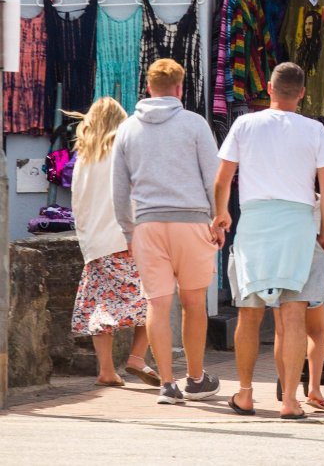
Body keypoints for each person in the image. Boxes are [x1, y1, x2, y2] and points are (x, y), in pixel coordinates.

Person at [212, 62, 324, 420]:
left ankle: (247, 394)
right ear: (301, 93)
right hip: (298, 225)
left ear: (269, 88)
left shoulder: (244, 124)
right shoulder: (316, 131)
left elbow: (223, 180)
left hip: (255, 224)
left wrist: (221, 214)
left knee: (248, 315)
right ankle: (289, 401)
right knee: (294, 314)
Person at [113, 59, 222, 405]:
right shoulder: (194, 124)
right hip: (191, 222)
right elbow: (213, 177)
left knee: (157, 305)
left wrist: (128, 231)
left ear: (148, 88)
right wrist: (219, 218)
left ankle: (166, 384)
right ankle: (195, 377)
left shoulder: (128, 129)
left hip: (148, 225)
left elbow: (118, 189)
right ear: (179, 89)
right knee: (193, 303)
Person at [69, 97, 157, 389]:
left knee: (100, 307)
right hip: (126, 238)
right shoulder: (125, 150)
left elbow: (78, 204)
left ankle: (106, 370)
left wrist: (86, 241)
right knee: (154, 297)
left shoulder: (83, 158)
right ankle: (135, 357)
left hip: (95, 244)